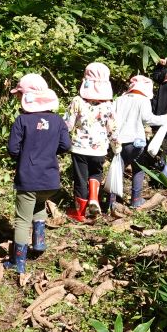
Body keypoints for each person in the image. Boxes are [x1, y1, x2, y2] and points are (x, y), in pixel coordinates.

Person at [7, 88, 71, 274]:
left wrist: (25, 156)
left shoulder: (22, 120)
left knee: (21, 220)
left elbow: (12, 148)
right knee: (40, 203)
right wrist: (49, 153)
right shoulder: (58, 121)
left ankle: (18, 262)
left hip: (28, 177)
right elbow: (66, 145)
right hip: (50, 178)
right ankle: (39, 243)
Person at [65, 63, 118, 221]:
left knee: (80, 178)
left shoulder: (77, 101)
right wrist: (117, 146)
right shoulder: (109, 105)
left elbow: (67, 124)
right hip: (100, 148)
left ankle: (80, 212)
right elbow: (112, 129)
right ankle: (94, 198)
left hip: (80, 147)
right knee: (96, 172)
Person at [114, 75, 167, 208]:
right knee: (139, 169)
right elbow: (148, 119)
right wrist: (165, 118)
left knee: (117, 169)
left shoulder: (119, 99)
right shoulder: (143, 100)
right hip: (136, 142)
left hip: (119, 141)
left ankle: (112, 200)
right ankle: (136, 200)